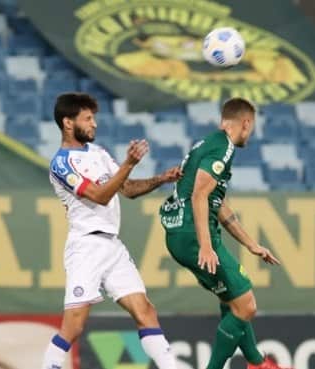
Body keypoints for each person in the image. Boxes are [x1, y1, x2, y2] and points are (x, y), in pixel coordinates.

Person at [42, 92, 181, 369]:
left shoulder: (98, 153)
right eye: (88, 118)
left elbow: (126, 189)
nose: (94, 124)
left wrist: (161, 179)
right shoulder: (61, 164)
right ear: (68, 123)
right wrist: (129, 163)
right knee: (74, 326)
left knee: (145, 311)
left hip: (112, 246)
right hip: (86, 246)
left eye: (94, 118)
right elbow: (99, 195)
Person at [159, 97, 289, 369]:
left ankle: (257, 363)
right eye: (251, 127)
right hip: (193, 235)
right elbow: (199, 196)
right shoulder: (224, 148)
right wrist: (206, 246)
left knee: (232, 300)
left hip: (182, 234)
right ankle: (249, 365)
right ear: (245, 123)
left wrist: (252, 243)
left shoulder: (209, 143)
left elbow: (216, 204)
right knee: (247, 304)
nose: (250, 133)